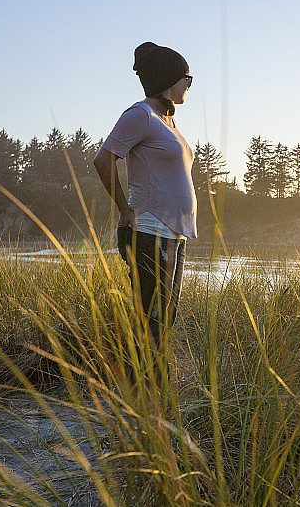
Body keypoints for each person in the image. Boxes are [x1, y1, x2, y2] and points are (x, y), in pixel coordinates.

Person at [93, 41, 197, 371]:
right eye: (186, 77)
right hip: (150, 229)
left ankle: (148, 391)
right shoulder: (140, 115)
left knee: (164, 316)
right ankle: (141, 394)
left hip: (174, 233)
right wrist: (125, 210)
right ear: (168, 79)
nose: (188, 85)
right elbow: (103, 160)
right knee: (153, 316)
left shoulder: (166, 121)